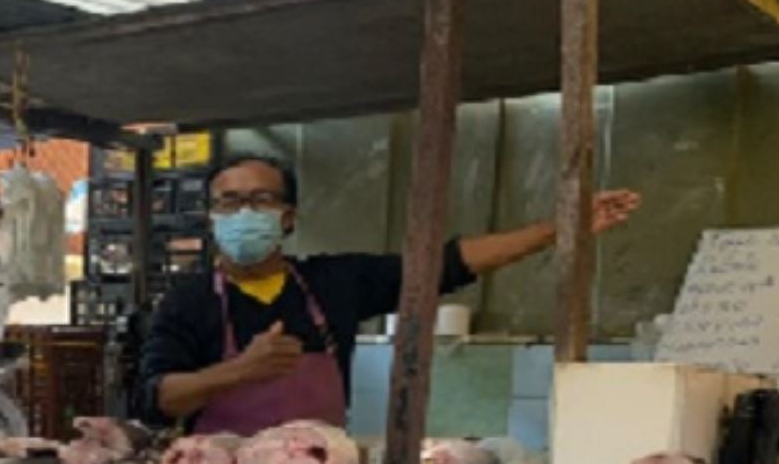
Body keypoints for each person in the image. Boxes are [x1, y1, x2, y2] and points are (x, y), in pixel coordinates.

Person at [140, 155, 641, 433]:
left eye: (261, 200)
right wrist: (239, 371)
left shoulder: (334, 281)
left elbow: (448, 263)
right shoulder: (187, 300)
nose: (244, 212)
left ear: (288, 217)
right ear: (211, 217)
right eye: (229, 202)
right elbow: (155, 400)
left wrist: (562, 226)